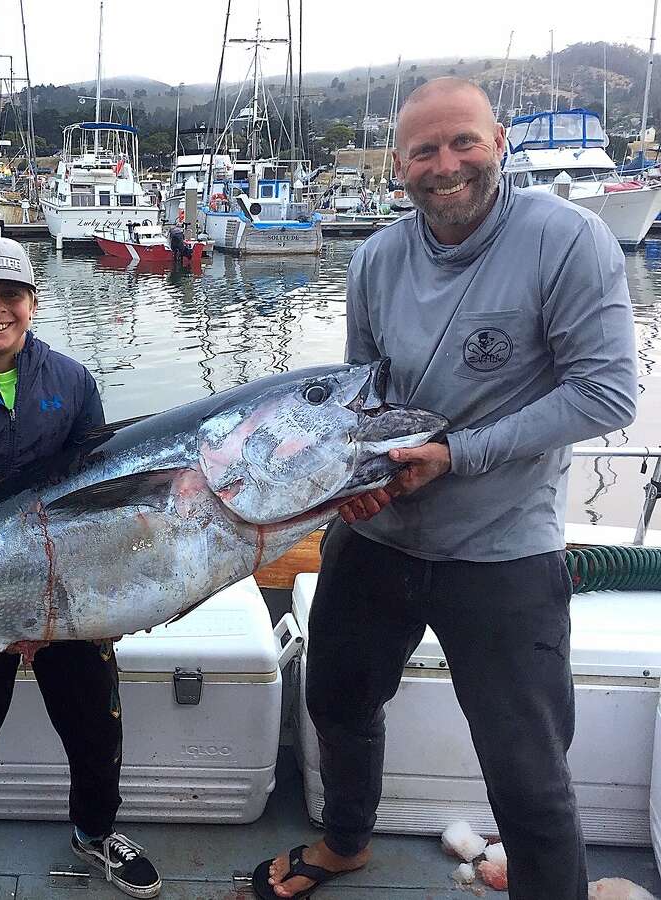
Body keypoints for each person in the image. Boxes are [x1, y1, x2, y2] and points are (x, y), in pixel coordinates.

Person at [253, 77, 636, 900]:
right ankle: (347, 842)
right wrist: (349, 480)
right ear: (399, 166)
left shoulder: (569, 240)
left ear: (500, 141)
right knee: (338, 703)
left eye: (463, 141)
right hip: (380, 536)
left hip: (503, 551)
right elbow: (365, 397)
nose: (446, 164)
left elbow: (606, 392)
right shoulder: (376, 258)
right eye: (424, 150)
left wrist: (456, 454)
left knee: (527, 770)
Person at [0, 236, 162, 900]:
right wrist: (12, 608)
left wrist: (59, 604)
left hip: (73, 602)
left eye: (9, 295)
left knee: (98, 734)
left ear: (32, 304)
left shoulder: (72, 382)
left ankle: (94, 834)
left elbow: (100, 498)